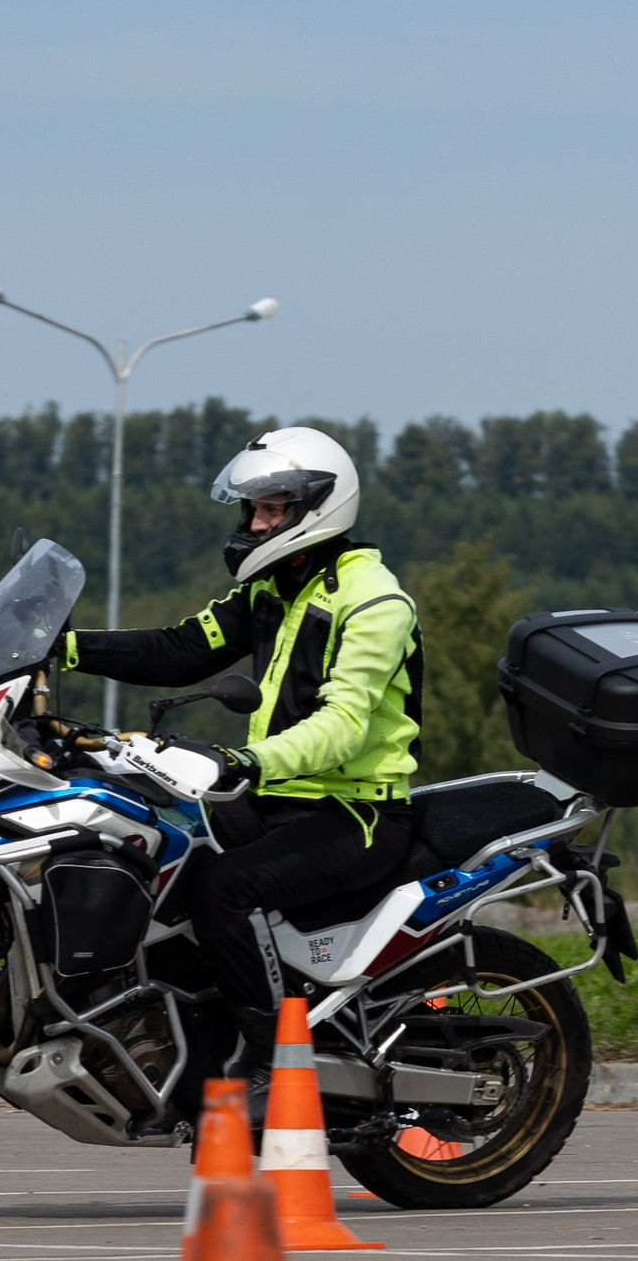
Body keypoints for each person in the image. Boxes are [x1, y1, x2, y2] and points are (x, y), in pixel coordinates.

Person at [61, 426, 423, 1071]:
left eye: (270, 510)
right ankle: (171, 1033)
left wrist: (245, 761)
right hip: (272, 800)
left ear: (317, 508)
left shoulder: (374, 601)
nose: (254, 524)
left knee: (225, 888)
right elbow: (180, 650)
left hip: (354, 813)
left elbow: (342, 724)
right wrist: (60, 648)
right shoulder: (273, 588)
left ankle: (275, 1066)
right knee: (144, 839)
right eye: (252, 509)